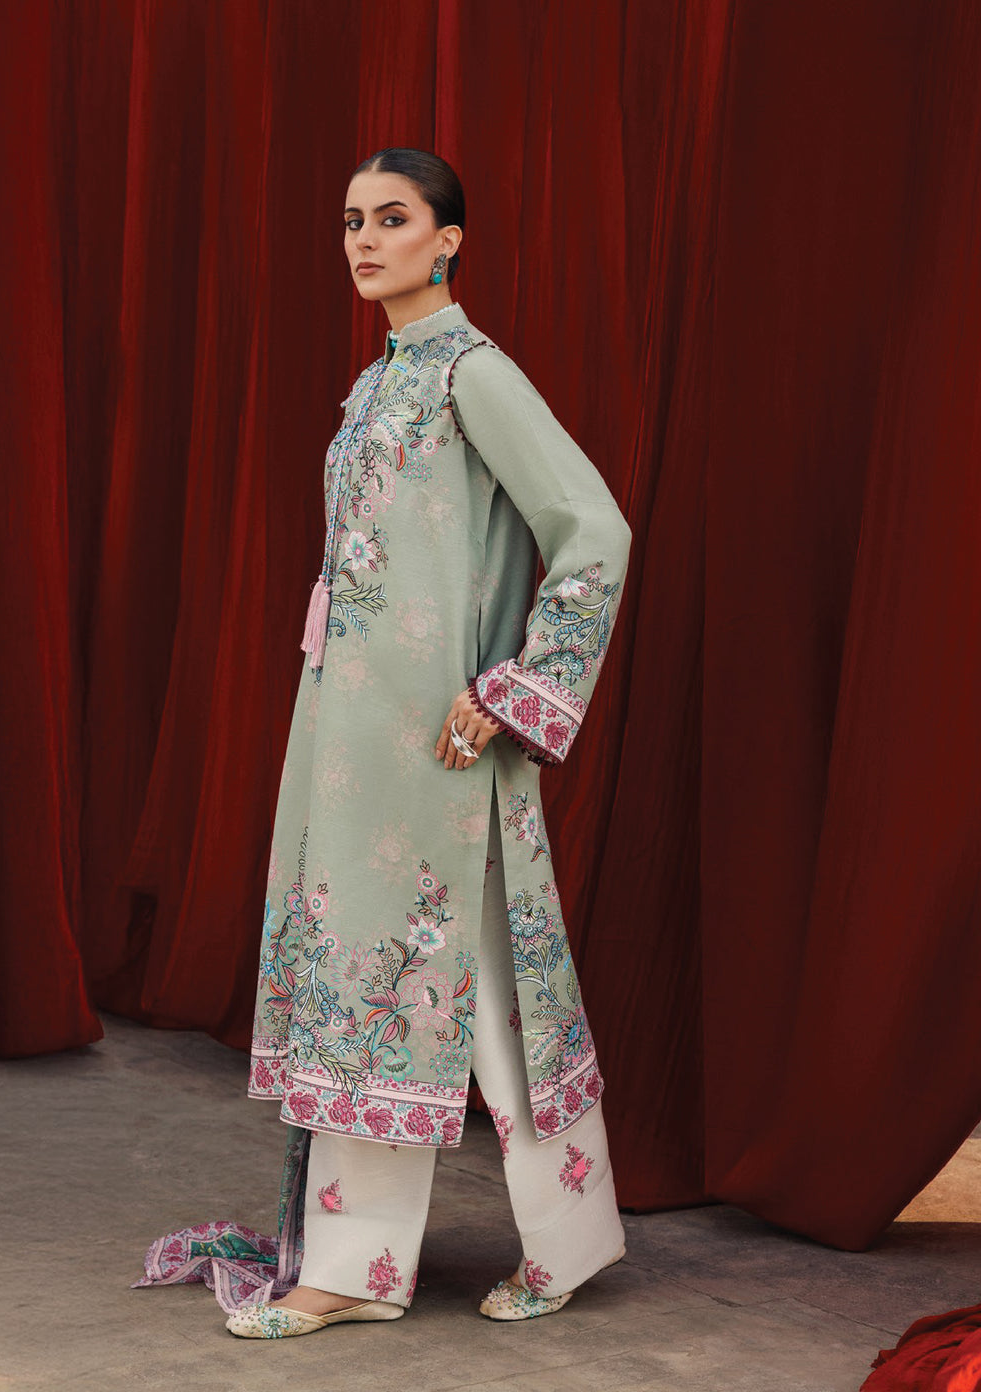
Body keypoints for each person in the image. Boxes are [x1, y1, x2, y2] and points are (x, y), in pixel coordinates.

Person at [134, 146, 634, 1338]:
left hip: (438, 746)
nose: (364, 239)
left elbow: (593, 528)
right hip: (352, 737)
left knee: (427, 984)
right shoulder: (377, 385)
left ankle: (394, 1267)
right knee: (428, 984)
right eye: (352, 220)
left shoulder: (473, 375)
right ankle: (442, 1256)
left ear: (447, 240)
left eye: (393, 218)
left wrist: (516, 689)